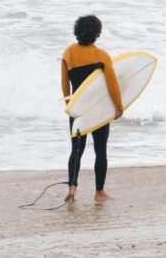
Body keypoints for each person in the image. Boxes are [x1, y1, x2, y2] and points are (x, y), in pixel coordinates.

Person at [60, 15, 123, 203]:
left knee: (76, 150)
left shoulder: (68, 53)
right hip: (99, 110)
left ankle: (72, 186)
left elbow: (64, 85)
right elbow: (113, 85)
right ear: (97, 33)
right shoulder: (102, 56)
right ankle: (99, 192)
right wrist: (119, 107)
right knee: (100, 150)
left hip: (78, 109)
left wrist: (70, 106)